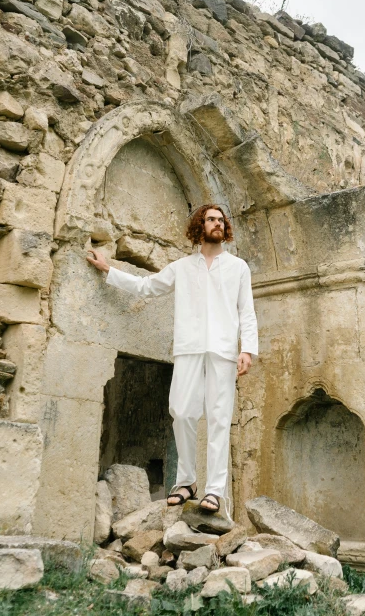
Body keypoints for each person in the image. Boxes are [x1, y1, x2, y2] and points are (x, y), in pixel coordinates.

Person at [86, 204, 258, 514]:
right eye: (211, 219)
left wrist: (247, 349)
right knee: (181, 411)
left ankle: (215, 490)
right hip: (188, 347)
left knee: (219, 418)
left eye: (221, 220)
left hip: (223, 351)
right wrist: (109, 270)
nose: (217, 224)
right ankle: (187, 482)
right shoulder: (182, 266)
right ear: (199, 226)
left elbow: (246, 310)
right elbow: (147, 287)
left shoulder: (238, 268)